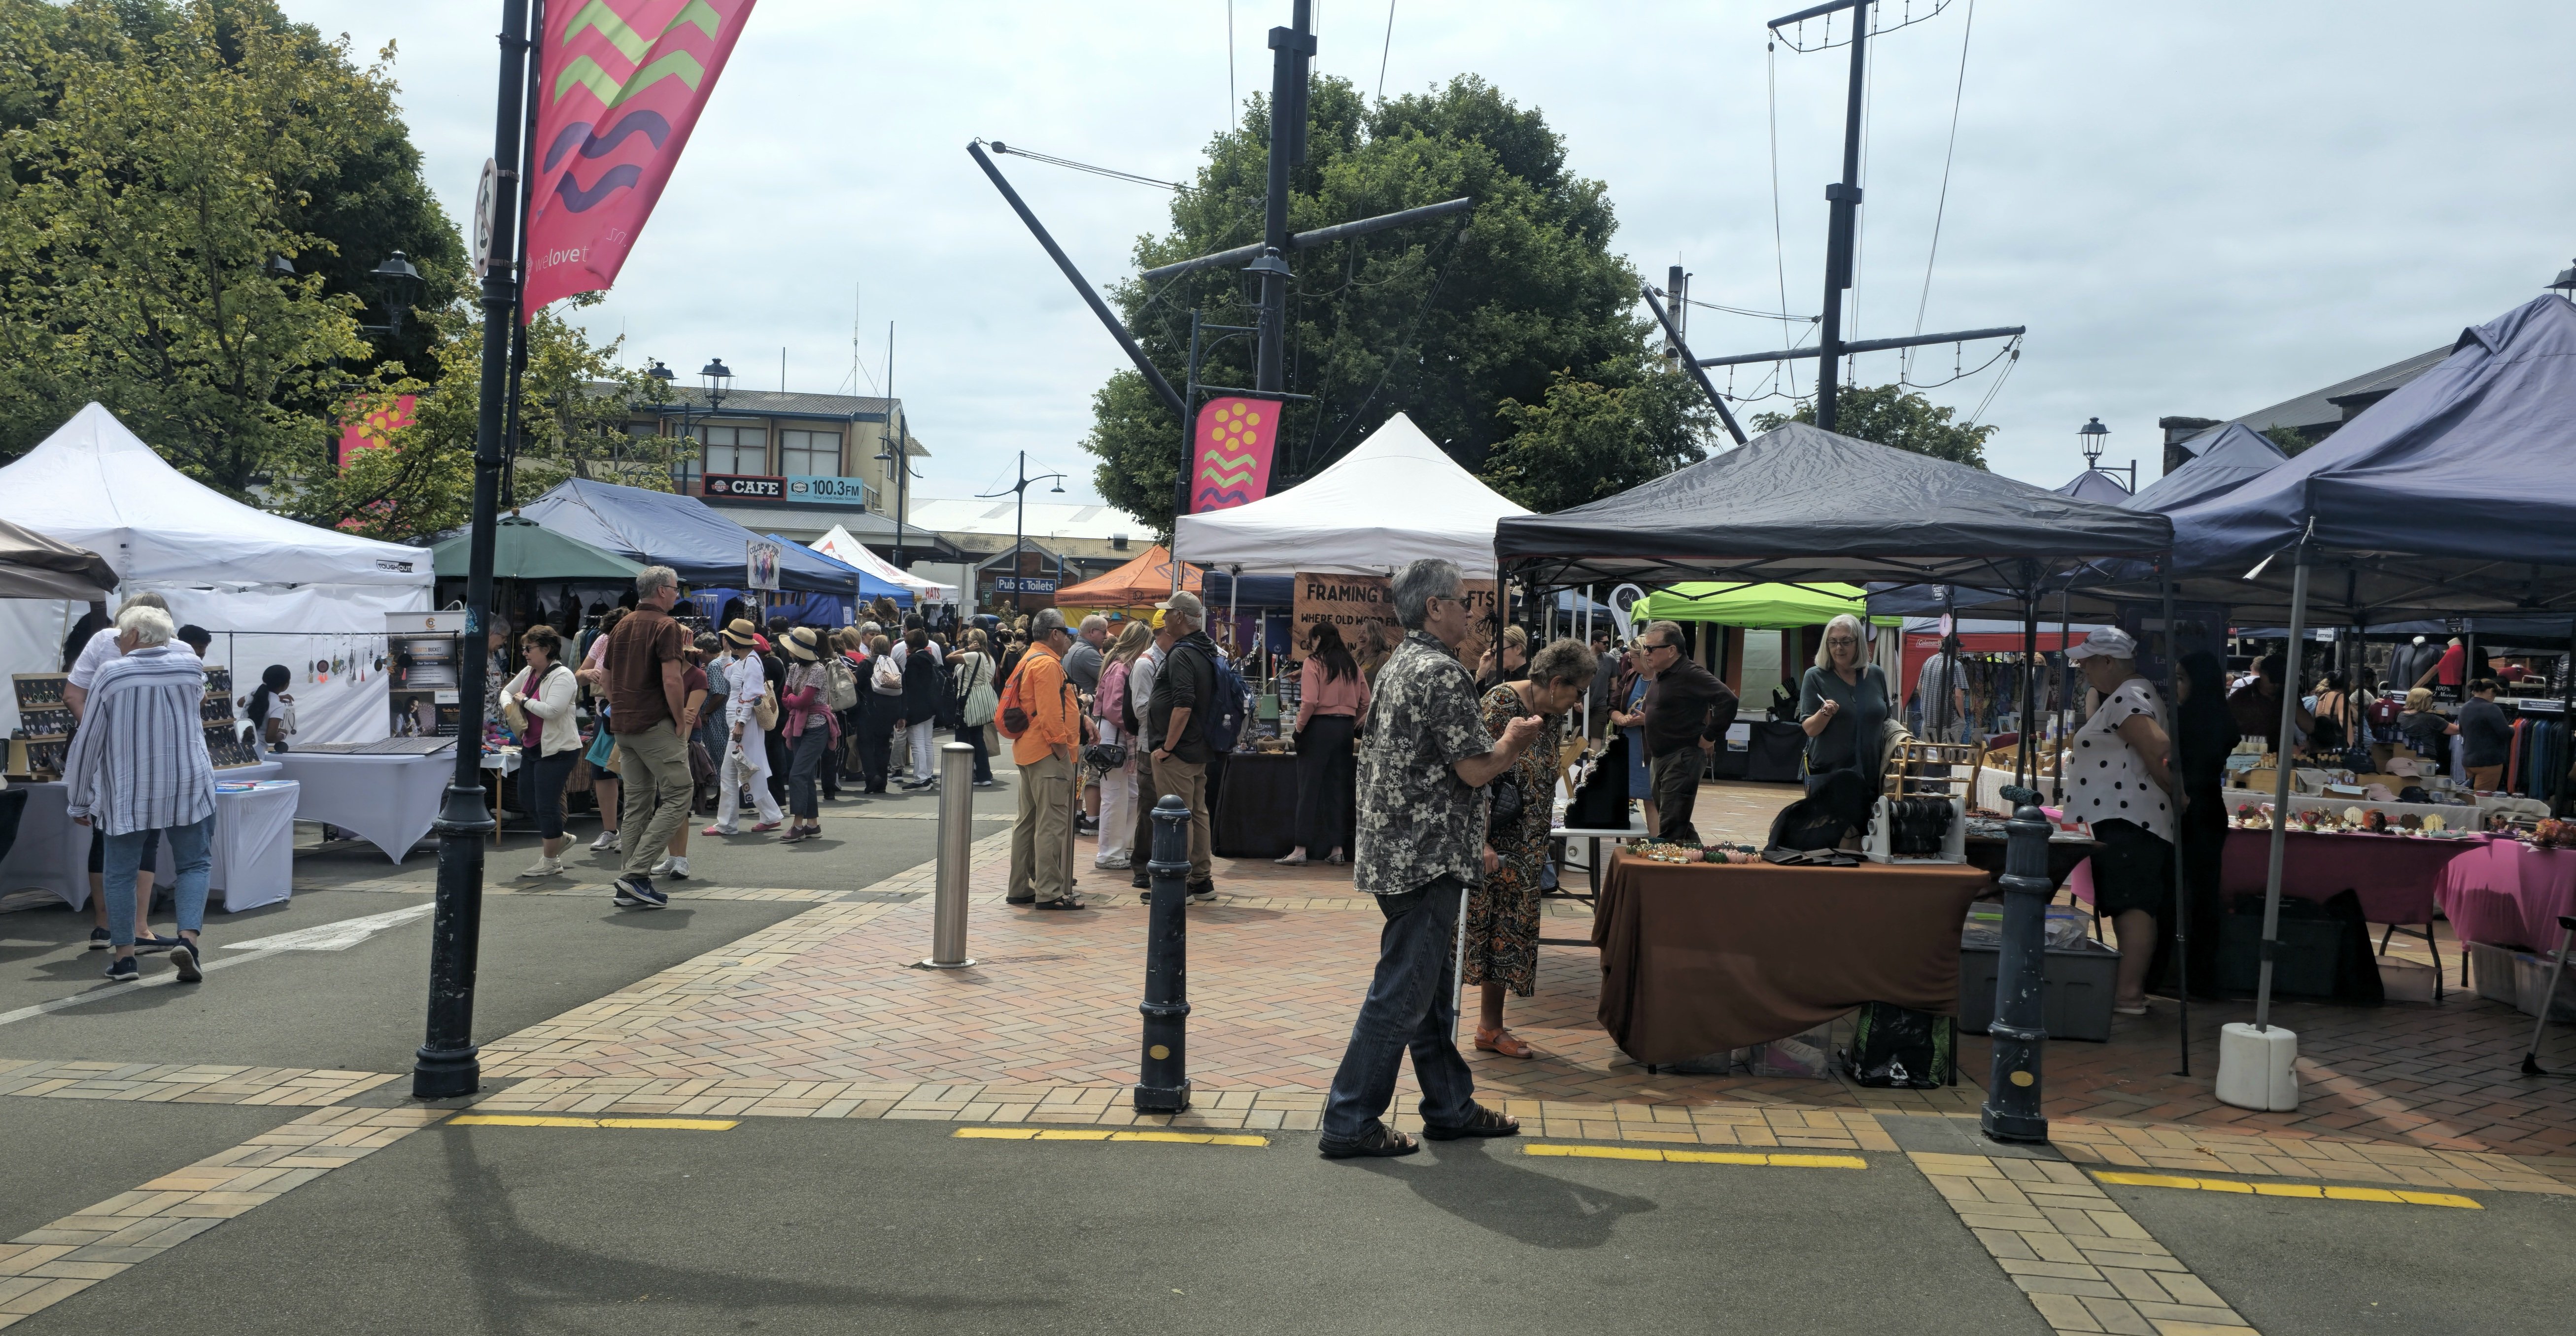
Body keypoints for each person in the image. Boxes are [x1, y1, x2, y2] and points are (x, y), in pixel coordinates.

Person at [1320, 558, 1544, 1159]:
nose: (1470, 612)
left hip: (1399, 852)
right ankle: (1349, 1118)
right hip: (1426, 855)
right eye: (1461, 601)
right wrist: (1513, 743)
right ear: (1433, 607)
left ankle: (1449, 1104)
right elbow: (1475, 767)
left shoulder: (1399, 664)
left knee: (1427, 989)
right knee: (1402, 993)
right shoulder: (1441, 672)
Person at [61, 605, 217, 984]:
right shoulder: (192, 668)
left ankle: (126, 958)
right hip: (189, 782)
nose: (117, 642)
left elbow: (89, 740)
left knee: (119, 873)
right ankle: (188, 940)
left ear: (132, 636)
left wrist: (79, 798)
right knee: (194, 864)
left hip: (130, 787)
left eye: (119, 637)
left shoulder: (112, 673)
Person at [1470, 637, 1594, 1059]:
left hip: (1526, 848)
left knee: (1508, 936)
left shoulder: (1550, 715)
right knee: (1477, 936)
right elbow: (1471, 773)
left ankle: (1491, 1027)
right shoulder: (1501, 703)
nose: (1578, 702)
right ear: (1557, 682)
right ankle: (1456, 1025)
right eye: (1579, 691)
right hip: (1496, 847)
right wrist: (1481, 839)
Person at [2062, 628, 2177, 1016]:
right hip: (2122, 816)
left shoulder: (2129, 695)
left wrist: (2179, 796)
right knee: (2130, 902)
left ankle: (2128, 994)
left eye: (2087, 662)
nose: (2083, 670)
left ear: (2109, 661)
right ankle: (2127, 991)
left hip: (2129, 817)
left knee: (2132, 906)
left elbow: (2158, 749)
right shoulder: (2127, 694)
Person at [603, 567, 693, 910]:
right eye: (674, 589)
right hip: (654, 724)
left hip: (624, 724)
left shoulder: (621, 625)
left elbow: (606, 677)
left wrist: (619, 707)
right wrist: (678, 719)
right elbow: (672, 679)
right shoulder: (665, 625)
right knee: (679, 794)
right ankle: (635, 874)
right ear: (660, 591)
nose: (676, 594)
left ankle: (632, 880)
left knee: (638, 803)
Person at [1148, 591, 1223, 902]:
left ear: (1180, 616)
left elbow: (1183, 705)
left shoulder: (1182, 653)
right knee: (1197, 812)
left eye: (1167, 613)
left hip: (1179, 750)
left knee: (1175, 815)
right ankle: (1201, 879)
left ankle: (1178, 882)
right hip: (1199, 745)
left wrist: (1167, 746)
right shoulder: (1206, 649)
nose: (1163, 618)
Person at [1005, 608, 1083, 909]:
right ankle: (1050, 891)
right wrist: (1063, 750)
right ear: (1055, 634)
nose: (1068, 640)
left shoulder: (1029, 658)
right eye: (1066, 633)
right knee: (1051, 824)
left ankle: (1020, 886)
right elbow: (1052, 714)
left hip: (1029, 749)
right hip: (1048, 753)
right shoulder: (1048, 664)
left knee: (1027, 822)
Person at [1635, 619, 1738, 842]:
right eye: (1645, 647)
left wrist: (1709, 736)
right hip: (1662, 757)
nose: (1646, 653)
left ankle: (1669, 873)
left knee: (1672, 825)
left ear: (1672, 650)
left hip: (1682, 757)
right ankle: (1701, 867)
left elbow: (1728, 700)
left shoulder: (1690, 673)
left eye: (1651, 648)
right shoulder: (1662, 672)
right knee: (1676, 821)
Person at [2170, 651, 2236, 997]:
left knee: (2182, 891)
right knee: (2204, 894)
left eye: (2181, 678)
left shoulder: (2181, 721)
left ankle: (2181, 972)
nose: (2175, 686)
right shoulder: (2223, 719)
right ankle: (2200, 974)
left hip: (2189, 808)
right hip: (2211, 807)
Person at [1279, 622, 1369, 867]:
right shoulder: (1351, 664)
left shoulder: (1313, 662)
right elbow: (1367, 701)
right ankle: (1337, 848)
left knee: (1308, 788)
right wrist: (1351, 719)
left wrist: (1298, 729)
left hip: (1318, 727)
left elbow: (1309, 702)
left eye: (1311, 640)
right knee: (1338, 788)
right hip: (1344, 730)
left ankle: (1300, 849)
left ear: (1318, 639)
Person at [504, 626, 584, 878]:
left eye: (529, 649)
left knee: (546, 804)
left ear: (546, 649)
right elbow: (506, 692)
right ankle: (559, 837)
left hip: (558, 749)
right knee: (526, 798)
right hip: (532, 746)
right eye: (524, 649)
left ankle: (551, 860)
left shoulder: (563, 675)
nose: (525, 654)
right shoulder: (529, 671)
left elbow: (552, 711)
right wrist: (512, 706)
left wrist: (523, 701)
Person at [1797, 613, 1890, 797]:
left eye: (1846, 642)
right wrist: (1824, 713)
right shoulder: (1815, 676)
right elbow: (1809, 729)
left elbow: (1887, 719)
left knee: (1869, 825)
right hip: (1829, 773)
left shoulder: (1876, 675)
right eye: (1833, 642)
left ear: (1859, 643)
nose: (1838, 648)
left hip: (1871, 773)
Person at [708, 620, 785, 834]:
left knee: (738, 770)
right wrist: (725, 653)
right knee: (746, 769)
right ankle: (768, 816)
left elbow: (751, 693)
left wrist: (741, 723)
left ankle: (729, 824)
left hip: (743, 722)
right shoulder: (746, 660)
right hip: (740, 721)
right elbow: (729, 674)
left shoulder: (751, 662)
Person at [1092, 621, 1152, 868]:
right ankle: (1110, 854)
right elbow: (1114, 708)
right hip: (1116, 736)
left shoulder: (1121, 665)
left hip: (1118, 735)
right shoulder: (1121, 668)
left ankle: (1121, 848)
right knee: (1116, 796)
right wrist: (1135, 726)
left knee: (1128, 795)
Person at [1126, 617, 1175, 893]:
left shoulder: (1173, 659)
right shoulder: (1146, 664)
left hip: (1168, 743)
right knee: (1149, 809)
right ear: (1163, 632)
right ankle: (1142, 866)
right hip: (1150, 746)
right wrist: (1176, 712)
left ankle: (1160, 861)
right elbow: (1141, 710)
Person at [777, 627, 840, 841]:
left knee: (797, 774)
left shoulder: (817, 669)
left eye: (793, 648)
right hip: (800, 725)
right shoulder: (794, 667)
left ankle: (798, 824)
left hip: (816, 727)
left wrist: (792, 701)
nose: (790, 652)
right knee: (805, 775)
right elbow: (786, 697)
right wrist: (793, 701)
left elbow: (801, 701)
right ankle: (812, 825)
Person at [653, 647, 710, 879]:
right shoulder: (659, 673)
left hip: (683, 740)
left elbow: (690, 716)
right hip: (661, 738)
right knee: (666, 802)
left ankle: (681, 859)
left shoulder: (698, 675)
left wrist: (678, 747)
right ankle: (673, 856)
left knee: (678, 801)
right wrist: (674, 712)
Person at [577, 607, 628, 852]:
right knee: (602, 772)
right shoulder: (602, 640)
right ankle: (610, 831)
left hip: (633, 715)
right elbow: (579, 675)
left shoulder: (639, 642)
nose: (611, 637)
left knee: (634, 773)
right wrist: (589, 672)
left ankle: (632, 832)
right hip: (604, 715)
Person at [1607, 641, 1657, 833]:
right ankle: (1632, 850)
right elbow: (1612, 706)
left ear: (1644, 656)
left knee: (1651, 801)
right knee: (1626, 799)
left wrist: (1648, 721)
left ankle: (1654, 848)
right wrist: (1620, 718)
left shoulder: (1664, 680)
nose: (1628, 660)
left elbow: (1676, 716)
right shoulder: (1630, 676)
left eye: (1632, 656)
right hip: (1628, 746)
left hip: (1650, 749)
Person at [1066, 615, 1109, 834]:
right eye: (1104, 632)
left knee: (1079, 770)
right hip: (1088, 719)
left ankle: (1076, 815)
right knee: (1089, 771)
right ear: (1092, 632)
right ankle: (1091, 820)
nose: (1107, 636)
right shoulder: (1089, 654)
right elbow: (1109, 678)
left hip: (1080, 719)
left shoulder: (1075, 649)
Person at [2228, 652, 2313, 754]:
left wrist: (2291, 699)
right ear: (2262, 674)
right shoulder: (2242, 697)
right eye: (2273, 681)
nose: (2277, 685)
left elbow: (2310, 727)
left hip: (2279, 758)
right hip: (2247, 756)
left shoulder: (2287, 696)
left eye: (2281, 682)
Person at [949, 628, 1000, 788]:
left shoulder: (972, 655)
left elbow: (949, 658)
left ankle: (963, 773)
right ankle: (984, 774)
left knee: (962, 737)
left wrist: (967, 649)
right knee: (978, 737)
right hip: (981, 700)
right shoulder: (990, 658)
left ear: (973, 642)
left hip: (968, 699)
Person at [895, 627, 943, 789]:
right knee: (927, 743)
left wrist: (905, 711)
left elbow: (910, 687)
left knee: (917, 744)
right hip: (931, 706)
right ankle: (928, 775)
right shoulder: (929, 658)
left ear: (910, 644)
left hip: (917, 707)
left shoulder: (914, 660)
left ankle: (921, 779)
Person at [1915, 633, 1971, 743]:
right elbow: (1958, 695)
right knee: (1947, 756)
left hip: (1928, 720)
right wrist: (1962, 716)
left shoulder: (1929, 661)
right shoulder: (1956, 665)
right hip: (1948, 721)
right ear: (1956, 649)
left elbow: (1919, 688)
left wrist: (1929, 705)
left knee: (1929, 756)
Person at [2458, 678, 2511, 791]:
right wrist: (2513, 728)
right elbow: (2506, 733)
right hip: (2488, 762)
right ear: (2491, 691)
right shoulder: (2491, 708)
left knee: (2470, 796)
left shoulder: (2465, 707)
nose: (2494, 697)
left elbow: (2462, 732)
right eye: (2495, 693)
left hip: (2469, 760)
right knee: (2483, 799)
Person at [244, 664, 295, 751]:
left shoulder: (253, 694)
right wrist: (283, 734)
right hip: (257, 751)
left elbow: (240, 703)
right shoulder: (277, 706)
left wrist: (276, 697)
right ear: (286, 685)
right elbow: (270, 738)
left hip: (240, 746)